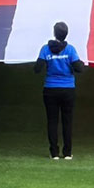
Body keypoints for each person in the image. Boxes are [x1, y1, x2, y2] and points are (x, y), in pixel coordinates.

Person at [33, 21, 84, 160]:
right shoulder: (70, 50)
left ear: (54, 33)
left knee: (52, 121)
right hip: (68, 89)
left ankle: (54, 153)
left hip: (50, 89)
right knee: (67, 121)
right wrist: (78, 64)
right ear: (66, 34)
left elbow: (37, 69)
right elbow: (79, 68)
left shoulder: (45, 49)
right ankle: (67, 153)